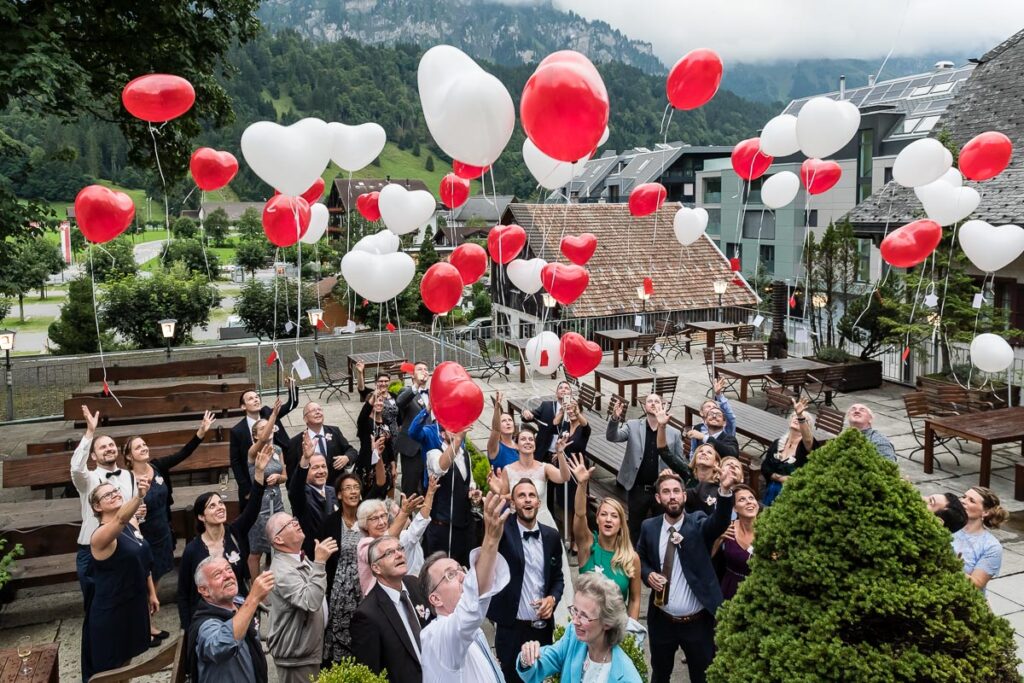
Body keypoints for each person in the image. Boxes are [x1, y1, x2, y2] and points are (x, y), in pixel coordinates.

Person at [637, 468, 737, 683]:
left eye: (676, 491)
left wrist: (725, 491)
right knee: (660, 674)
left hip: (698, 624)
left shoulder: (698, 523)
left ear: (684, 495)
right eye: (666, 492)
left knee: (702, 677)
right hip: (662, 621)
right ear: (658, 497)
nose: (672, 496)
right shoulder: (649, 527)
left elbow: (718, 522)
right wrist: (648, 574)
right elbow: (641, 558)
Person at [122, 410, 215, 642]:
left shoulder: (158, 467)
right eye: (138, 447)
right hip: (141, 536)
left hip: (163, 532)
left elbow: (183, 454)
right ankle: (145, 627)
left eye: (145, 445)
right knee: (146, 581)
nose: (144, 448)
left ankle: (145, 620)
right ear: (129, 457)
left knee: (158, 577)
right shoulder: (125, 479)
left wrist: (200, 434)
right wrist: (134, 508)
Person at [421, 490, 511, 682]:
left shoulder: (474, 631)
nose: (463, 576)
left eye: (460, 569)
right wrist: (490, 540)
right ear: (435, 598)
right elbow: (472, 604)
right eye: (450, 575)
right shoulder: (437, 636)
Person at [178, 447, 270, 631]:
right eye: (212, 506)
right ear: (201, 517)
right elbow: (183, 593)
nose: (220, 507)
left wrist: (259, 474)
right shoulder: (192, 550)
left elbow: (252, 508)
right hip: (209, 616)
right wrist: (189, 629)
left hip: (239, 607)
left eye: (221, 503)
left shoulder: (234, 533)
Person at [487, 478, 566, 683]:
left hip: (541, 628)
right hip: (511, 629)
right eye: (521, 496)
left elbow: (558, 578)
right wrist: (497, 497)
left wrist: (552, 599)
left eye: (532, 496)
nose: (528, 500)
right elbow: (489, 542)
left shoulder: (551, 536)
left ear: (539, 502)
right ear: (513, 504)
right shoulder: (503, 532)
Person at [81, 478, 155, 681]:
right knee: (111, 670)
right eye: (107, 495)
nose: (114, 494)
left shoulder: (132, 523)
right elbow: (119, 521)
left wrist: (152, 593)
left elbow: (143, 560)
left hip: (134, 603)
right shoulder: (100, 536)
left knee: (127, 662)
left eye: (115, 490)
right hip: (112, 610)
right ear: (97, 506)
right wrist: (139, 496)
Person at [517, 573, 643, 683]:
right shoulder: (573, 637)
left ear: (607, 623)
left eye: (584, 616)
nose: (575, 621)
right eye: (575, 611)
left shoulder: (627, 677)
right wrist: (526, 657)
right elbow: (542, 662)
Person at [607, 395, 692, 545]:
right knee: (635, 527)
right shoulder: (633, 425)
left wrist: (673, 476)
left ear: (663, 406)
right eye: (650, 401)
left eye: (657, 401)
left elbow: (680, 462)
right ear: (644, 406)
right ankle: (634, 559)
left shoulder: (673, 433)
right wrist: (614, 419)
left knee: (661, 527)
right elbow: (613, 437)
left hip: (662, 490)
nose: (653, 404)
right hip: (638, 487)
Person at [71, 406, 136, 600]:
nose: (109, 448)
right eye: (102, 447)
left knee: (126, 599)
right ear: (93, 456)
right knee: (96, 604)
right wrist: (90, 433)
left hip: (124, 545)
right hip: (92, 550)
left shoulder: (128, 476)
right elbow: (75, 468)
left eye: (111, 445)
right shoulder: (87, 480)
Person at [265, 512, 338, 683]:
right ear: (278, 540)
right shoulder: (282, 571)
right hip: (296, 657)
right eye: (288, 524)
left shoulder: (298, 558)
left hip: (308, 651)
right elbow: (311, 602)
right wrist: (320, 562)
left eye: (294, 519)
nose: (296, 523)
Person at [569, 452, 641, 619]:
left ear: (621, 524)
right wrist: (581, 484)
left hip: (615, 629)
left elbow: (635, 600)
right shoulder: (588, 546)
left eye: (614, 516)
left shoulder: (631, 557)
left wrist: (630, 632)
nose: (609, 519)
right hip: (586, 627)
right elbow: (580, 515)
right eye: (604, 514)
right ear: (598, 519)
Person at [352, 535, 432, 683]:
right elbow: (369, 673)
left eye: (400, 548)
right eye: (389, 553)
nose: (399, 554)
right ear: (376, 568)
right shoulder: (367, 615)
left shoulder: (415, 584)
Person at [188, 557, 273, 683]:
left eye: (228, 569)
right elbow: (222, 645)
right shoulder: (205, 625)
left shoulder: (240, 603)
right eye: (217, 575)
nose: (227, 576)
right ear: (204, 590)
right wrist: (253, 598)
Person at [229, 378, 297, 504]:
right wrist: (245, 488)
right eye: (251, 398)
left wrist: (291, 387)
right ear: (243, 406)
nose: (256, 399)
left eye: (257, 397)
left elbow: (291, 405)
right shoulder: (237, 431)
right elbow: (235, 462)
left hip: (275, 472)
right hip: (253, 478)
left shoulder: (268, 412)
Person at [424, 427, 480, 565]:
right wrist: (458, 440)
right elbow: (440, 468)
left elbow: (469, 481)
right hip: (443, 526)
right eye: (451, 429)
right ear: (442, 434)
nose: (456, 430)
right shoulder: (434, 453)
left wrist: (473, 492)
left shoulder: (465, 454)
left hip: (464, 525)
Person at [246, 400, 287, 581]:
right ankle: (256, 587)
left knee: (279, 544)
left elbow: (285, 475)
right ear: (255, 436)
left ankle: (274, 578)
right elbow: (263, 439)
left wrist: (279, 478)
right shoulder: (253, 452)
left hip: (277, 501)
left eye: (268, 427)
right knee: (256, 550)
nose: (267, 430)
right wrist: (273, 416)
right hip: (259, 506)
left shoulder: (278, 449)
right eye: (262, 428)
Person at [355, 495, 421, 595]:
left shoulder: (394, 537)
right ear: (365, 525)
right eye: (374, 519)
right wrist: (404, 513)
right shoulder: (364, 544)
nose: (381, 522)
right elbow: (384, 542)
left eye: (383, 516)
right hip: (377, 601)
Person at [288, 432, 338, 558]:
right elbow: (295, 487)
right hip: (313, 557)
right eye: (315, 468)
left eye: (323, 466)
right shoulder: (301, 494)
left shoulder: (332, 491)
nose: (321, 471)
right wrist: (305, 460)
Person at [761, 399, 818, 506]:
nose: (796, 418)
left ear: (807, 427)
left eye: (803, 419)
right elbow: (765, 467)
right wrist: (781, 478)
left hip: (793, 495)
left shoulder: (806, 445)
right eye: (794, 416)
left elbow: (808, 440)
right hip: (771, 492)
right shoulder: (778, 442)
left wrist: (800, 415)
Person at [285, 400, 357, 485]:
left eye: (319, 409)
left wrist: (347, 457)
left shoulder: (334, 432)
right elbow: (291, 475)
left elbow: (352, 451)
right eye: (313, 410)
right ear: (305, 419)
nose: (317, 412)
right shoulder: (295, 442)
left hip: (336, 487)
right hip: (311, 491)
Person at [953, 486, 1008, 592]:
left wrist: (952, 566)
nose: (962, 501)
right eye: (964, 497)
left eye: (971, 501)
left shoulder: (991, 546)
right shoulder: (947, 524)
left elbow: (976, 584)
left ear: (985, 512)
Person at [712, 484, 760, 599]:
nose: (749, 502)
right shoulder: (727, 528)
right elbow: (709, 557)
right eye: (742, 499)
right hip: (732, 591)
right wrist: (718, 538)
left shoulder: (770, 529)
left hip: (762, 590)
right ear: (734, 508)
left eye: (751, 498)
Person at [394, 361, 431, 495]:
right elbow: (400, 402)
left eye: (426, 369)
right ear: (412, 376)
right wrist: (416, 385)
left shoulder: (432, 395)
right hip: (412, 448)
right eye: (419, 369)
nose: (423, 371)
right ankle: (406, 515)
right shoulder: (407, 392)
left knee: (429, 488)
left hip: (429, 448)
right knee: (410, 488)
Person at [521, 380, 575, 460]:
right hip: (543, 451)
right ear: (556, 393)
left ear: (571, 394)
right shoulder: (546, 406)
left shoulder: (574, 411)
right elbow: (529, 417)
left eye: (566, 388)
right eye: (560, 388)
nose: (563, 390)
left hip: (562, 454)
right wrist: (526, 413)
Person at [356, 391, 396, 498]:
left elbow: (389, 445)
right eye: (375, 401)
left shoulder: (386, 421)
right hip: (368, 465)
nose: (378, 403)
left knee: (386, 494)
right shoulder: (365, 422)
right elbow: (363, 415)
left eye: (381, 401)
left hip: (384, 464)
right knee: (371, 496)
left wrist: (393, 464)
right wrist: (372, 398)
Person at [689, 378, 738, 455]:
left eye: (715, 407)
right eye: (708, 406)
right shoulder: (698, 428)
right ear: (701, 413)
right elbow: (693, 451)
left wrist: (719, 394)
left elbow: (730, 417)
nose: (712, 408)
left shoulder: (726, 430)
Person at [355, 362, 400, 433]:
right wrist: (360, 372)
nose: (383, 383)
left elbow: (399, 416)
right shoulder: (371, 394)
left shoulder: (394, 396)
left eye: (386, 381)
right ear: (376, 383)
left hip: (393, 432)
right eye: (380, 381)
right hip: (377, 431)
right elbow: (361, 388)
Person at [683, 444, 721, 515]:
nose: (703, 453)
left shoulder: (720, 489)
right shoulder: (688, 480)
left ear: (716, 463)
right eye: (700, 451)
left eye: (709, 452)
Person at [487, 391, 521, 470]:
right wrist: (497, 409)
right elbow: (495, 430)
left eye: (510, 420)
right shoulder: (495, 447)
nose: (508, 423)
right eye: (503, 421)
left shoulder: (519, 444)